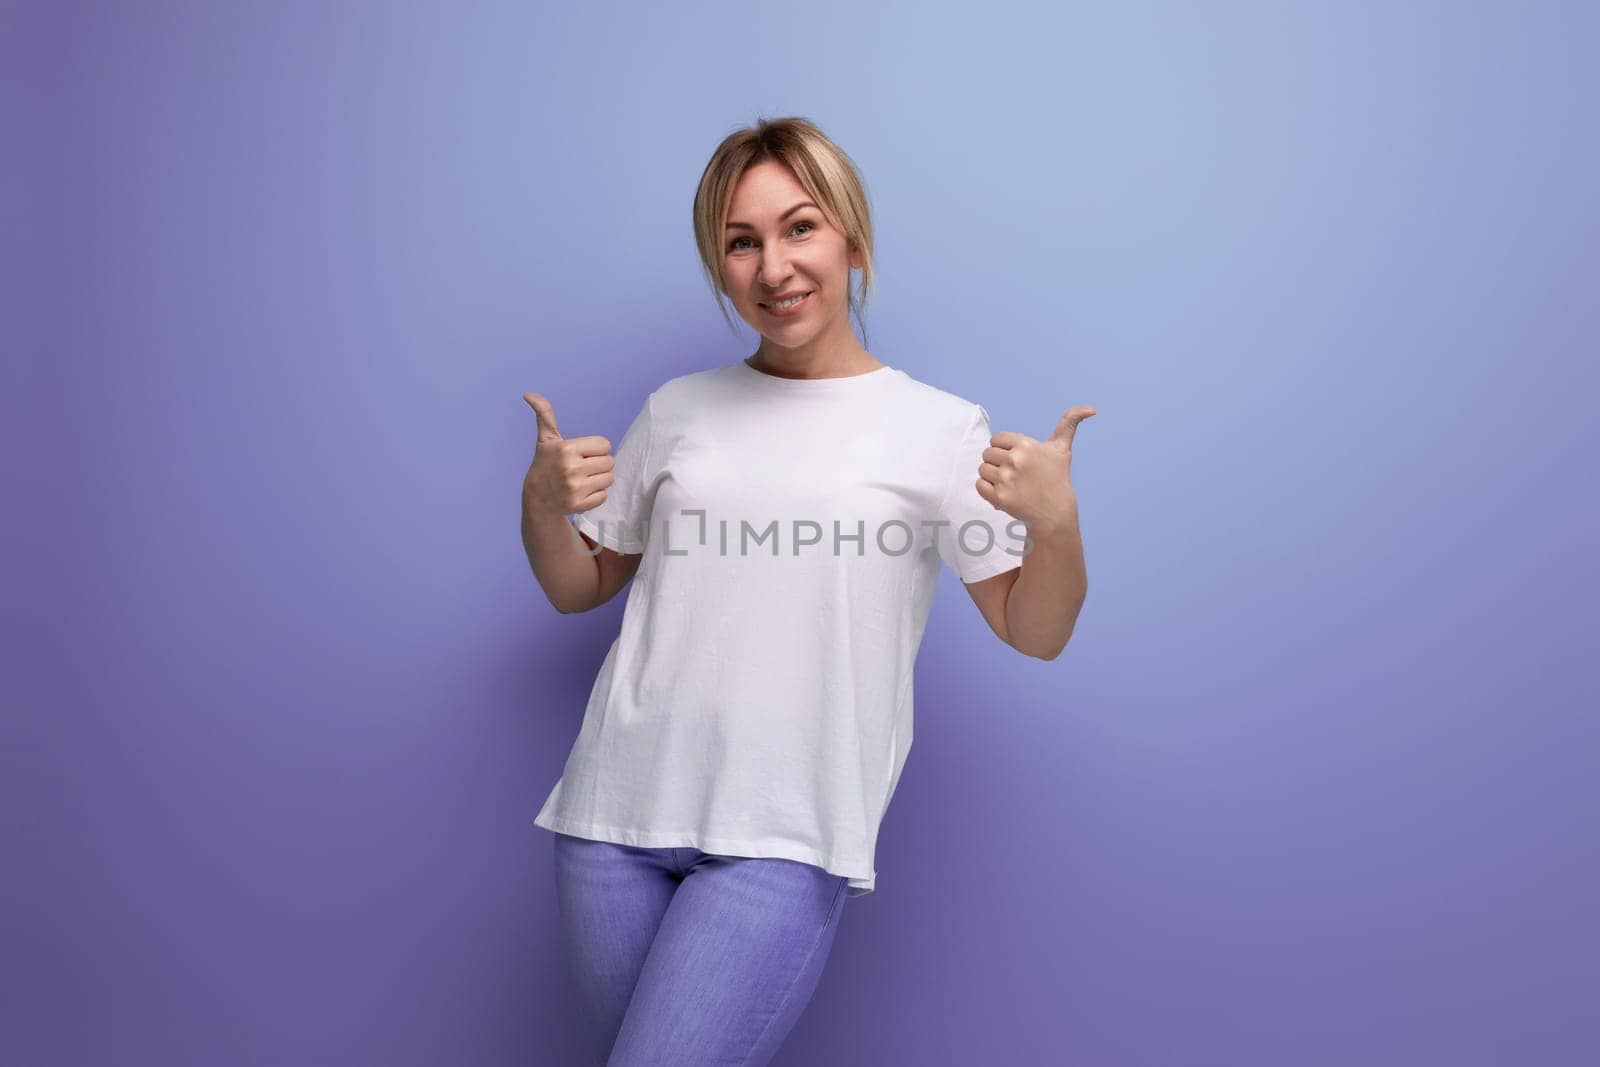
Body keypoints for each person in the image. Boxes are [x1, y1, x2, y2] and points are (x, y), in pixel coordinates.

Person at [519, 116, 1093, 1065]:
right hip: (609, 825)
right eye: (741, 242)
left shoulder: (939, 430)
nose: (773, 265)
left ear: (852, 242)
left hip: (783, 837)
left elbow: (1035, 630)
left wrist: (1058, 524)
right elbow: (580, 584)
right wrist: (541, 507)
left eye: (800, 228)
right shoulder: (676, 409)